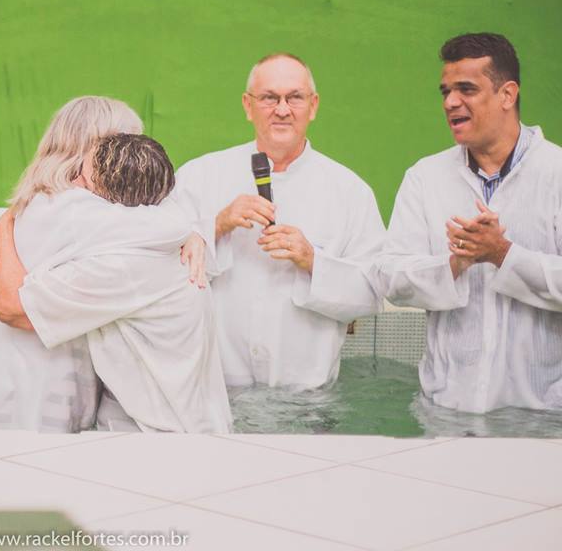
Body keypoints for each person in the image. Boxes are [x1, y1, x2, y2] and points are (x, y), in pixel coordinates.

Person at [0, 133, 232, 433]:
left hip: (157, 438)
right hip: (199, 424)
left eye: (83, 178)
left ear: (109, 202)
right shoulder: (167, 241)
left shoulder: (123, 267)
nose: (73, 183)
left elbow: (11, 308)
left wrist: (5, 224)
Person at [172, 53, 385, 390]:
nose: (282, 110)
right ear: (248, 105)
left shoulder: (350, 192)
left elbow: (372, 294)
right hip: (217, 395)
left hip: (307, 400)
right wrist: (217, 225)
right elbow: (162, 274)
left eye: (295, 97)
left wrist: (312, 260)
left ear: (313, 106)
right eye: (269, 97)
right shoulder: (199, 177)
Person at [376, 33, 562, 414]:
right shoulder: (424, 178)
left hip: (544, 417)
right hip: (445, 411)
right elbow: (391, 279)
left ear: (507, 95)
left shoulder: (556, 174)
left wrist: (503, 255)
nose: (450, 102)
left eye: (466, 89)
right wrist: (454, 263)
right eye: (446, 91)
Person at [0, 96, 143, 432]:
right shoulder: (80, 211)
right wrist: (196, 232)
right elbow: (160, 227)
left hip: (5, 379)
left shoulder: (41, 201)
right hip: (29, 390)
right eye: (129, 144)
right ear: (96, 147)